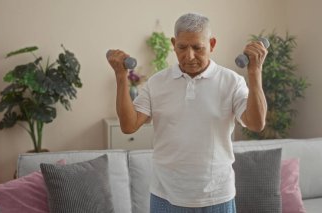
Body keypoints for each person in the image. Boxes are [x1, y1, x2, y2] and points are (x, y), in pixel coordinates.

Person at [107, 13, 267, 213]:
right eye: (182, 47)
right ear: (174, 44)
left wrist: (255, 72)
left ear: (212, 44)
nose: (189, 56)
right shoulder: (157, 82)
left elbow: (256, 123)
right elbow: (128, 125)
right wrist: (121, 77)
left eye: (197, 48)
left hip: (217, 196)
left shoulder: (232, 81)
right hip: (166, 196)